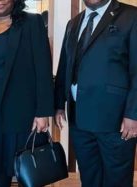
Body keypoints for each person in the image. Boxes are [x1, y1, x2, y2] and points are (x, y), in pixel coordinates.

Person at [55, 0, 137, 186]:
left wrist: (134, 113)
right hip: (79, 119)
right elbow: (64, 66)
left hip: (116, 121)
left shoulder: (131, 16)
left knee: (117, 180)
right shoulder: (74, 23)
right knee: (89, 177)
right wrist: (59, 104)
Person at [0, 0, 54, 186]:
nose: (0, 1)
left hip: (22, 110)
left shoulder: (32, 23)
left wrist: (43, 111)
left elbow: (43, 68)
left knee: (28, 170)